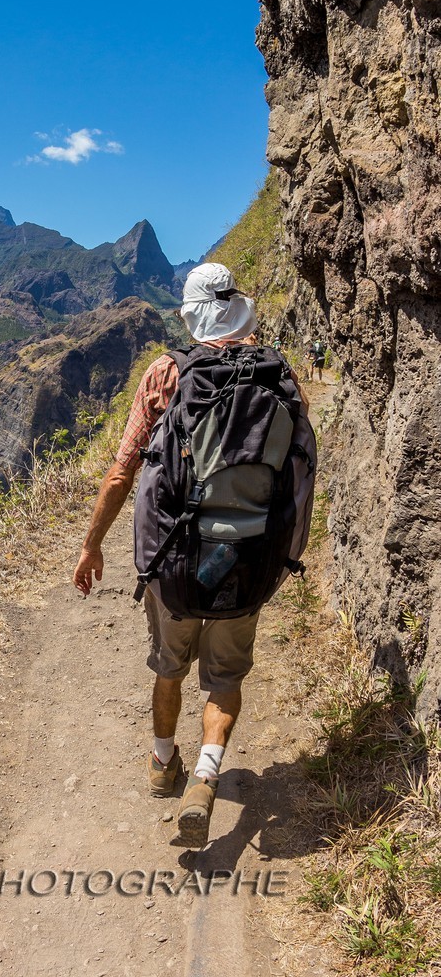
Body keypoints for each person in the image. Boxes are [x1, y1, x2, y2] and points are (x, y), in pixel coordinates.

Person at [72, 263, 296, 847]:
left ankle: (162, 761)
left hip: (175, 558)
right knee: (226, 675)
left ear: (191, 316)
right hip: (249, 554)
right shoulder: (277, 375)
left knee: (168, 665)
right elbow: (296, 473)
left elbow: (122, 471)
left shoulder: (166, 374)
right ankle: (205, 775)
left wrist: (92, 545)